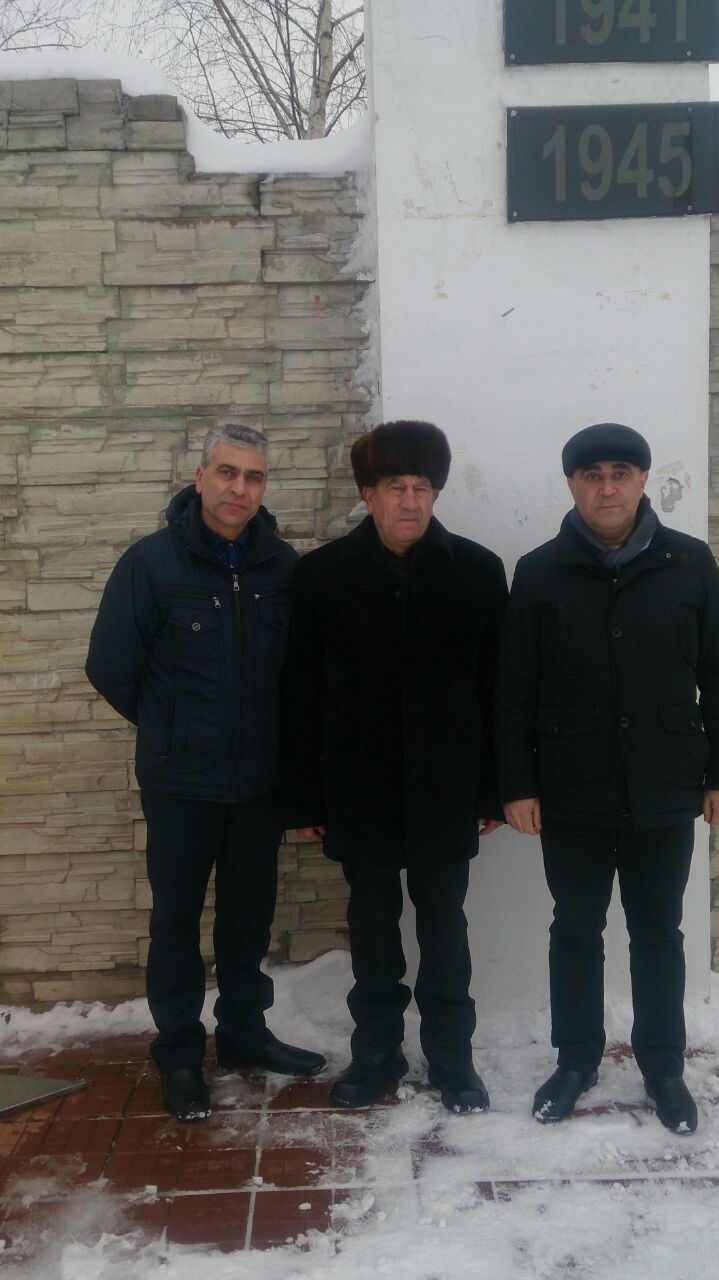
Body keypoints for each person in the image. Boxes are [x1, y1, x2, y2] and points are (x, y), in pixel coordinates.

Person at [86, 424, 325, 1122]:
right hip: (180, 786)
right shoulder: (151, 564)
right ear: (200, 477)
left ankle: (245, 1035)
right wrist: (172, 729)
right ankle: (180, 1055)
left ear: (263, 487)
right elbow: (110, 667)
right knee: (176, 923)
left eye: (253, 476)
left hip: (258, 787)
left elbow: (299, 677)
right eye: (227, 472)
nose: (238, 488)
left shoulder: (282, 567)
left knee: (248, 922)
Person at [496, 422, 719, 1134]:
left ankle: (663, 1067)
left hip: (665, 783)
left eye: (620, 472)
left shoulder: (691, 563)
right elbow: (514, 687)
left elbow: (716, 674)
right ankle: (575, 1060)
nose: (607, 487)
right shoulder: (539, 571)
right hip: (573, 787)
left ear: (643, 479)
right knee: (575, 928)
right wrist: (517, 784)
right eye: (591, 475)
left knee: (658, 931)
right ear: (571, 484)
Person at [283, 420, 508, 1112]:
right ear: (368, 494)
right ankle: (376, 1053)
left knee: (444, 930)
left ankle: (451, 1058)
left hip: (446, 791)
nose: (409, 501)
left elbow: (495, 689)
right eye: (394, 487)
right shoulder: (322, 576)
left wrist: (493, 790)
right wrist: (306, 798)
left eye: (421, 487)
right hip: (360, 792)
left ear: (435, 494)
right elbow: (301, 692)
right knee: (374, 931)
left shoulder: (476, 572)